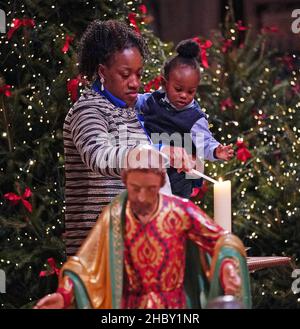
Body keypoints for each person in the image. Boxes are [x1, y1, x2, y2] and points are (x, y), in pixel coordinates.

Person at [35, 146, 251, 309]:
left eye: (150, 189)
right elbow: (85, 265)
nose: (141, 197)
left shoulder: (180, 211)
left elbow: (222, 240)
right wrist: (64, 294)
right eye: (135, 188)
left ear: (160, 182)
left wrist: (228, 266)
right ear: (125, 180)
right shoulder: (116, 215)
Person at [63, 20, 195, 255]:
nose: (135, 82)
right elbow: (101, 157)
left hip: (135, 247)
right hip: (99, 254)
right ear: (102, 72)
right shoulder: (88, 110)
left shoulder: (131, 110)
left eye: (138, 74)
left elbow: (139, 157)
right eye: (125, 74)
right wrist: (159, 154)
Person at [136, 39, 234, 198]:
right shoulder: (152, 100)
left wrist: (217, 151)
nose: (183, 96)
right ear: (164, 83)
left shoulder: (194, 118)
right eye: (178, 89)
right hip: (150, 171)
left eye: (190, 92)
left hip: (177, 179)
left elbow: (205, 142)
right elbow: (133, 101)